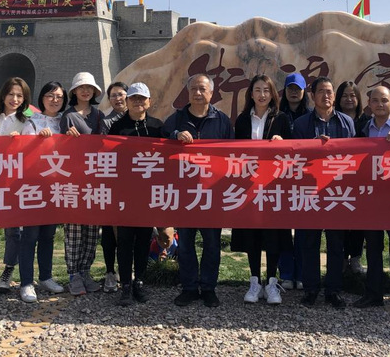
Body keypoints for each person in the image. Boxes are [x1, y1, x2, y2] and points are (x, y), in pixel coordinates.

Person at [164, 74, 234, 308]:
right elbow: (159, 144)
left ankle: (209, 288)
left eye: (202, 89)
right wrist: (174, 136)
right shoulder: (176, 119)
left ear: (211, 93)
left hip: (212, 193)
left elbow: (233, 154)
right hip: (185, 194)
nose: (197, 93)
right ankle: (189, 288)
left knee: (212, 244)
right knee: (185, 243)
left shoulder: (222, 121)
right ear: (188, 92)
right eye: (193, 88)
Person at [294, 76, 355, 309]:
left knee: (336, 244)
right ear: (312, 96)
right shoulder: (301, 124)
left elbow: (353, 155)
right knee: (309, 242)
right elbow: (295, 156)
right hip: (310, 190)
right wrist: (313, 146)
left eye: (330, 91)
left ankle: (333, 290)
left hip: (336, 191)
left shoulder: (346, 122)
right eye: (321, 91)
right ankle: (311, 289)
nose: (326, 95)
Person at [231, 74, 293, 305]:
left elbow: (294, 150)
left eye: (266, 90)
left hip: (273, 186)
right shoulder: (242, 120)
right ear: (251, 93)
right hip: (249, 186)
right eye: (257, 90)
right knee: (252, 234)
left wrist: (282, 143)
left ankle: (272, 282)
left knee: (273, 234)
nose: (262, 95)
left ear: (273, 94)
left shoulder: (281, 119)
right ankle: (255, 281)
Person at [353, 86, 390, 313]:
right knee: (373, 247)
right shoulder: (361, 129)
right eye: (375, 100)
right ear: (369, 104)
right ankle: (373, 293)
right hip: (370, 196)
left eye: (384, 100)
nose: (379, 104)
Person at [109, 82, 166, 306]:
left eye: (142, 98)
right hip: (125, 194)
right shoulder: (117, 128)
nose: (138, 102)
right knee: (124, 242)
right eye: (134, 98)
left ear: (149, 102)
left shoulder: (157, 127)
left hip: (148, 194)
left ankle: (139, 282)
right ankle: (125, 285)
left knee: (143, 240)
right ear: (127, 101)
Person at [0, 77, 32, 296]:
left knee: (13, 231)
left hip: (13, 184)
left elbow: (33, 149)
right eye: (11, 94)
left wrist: (22, 141)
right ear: (3, 95)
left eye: (20, 96)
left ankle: (8, 271)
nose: (15, 99)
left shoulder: (27, 122)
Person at [19, 81, 69, 302]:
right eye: (50, 95)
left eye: (59, 96)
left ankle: (46, 277)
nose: (55, 100)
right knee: (30, 235)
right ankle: (26, 282)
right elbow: (22, 150)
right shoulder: (32, 122)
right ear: (42, 98)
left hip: (55, 186)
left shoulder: (66, 121)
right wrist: (37, 141)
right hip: (34, 185)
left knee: (48, 235)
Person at [60, 72, 104, 296]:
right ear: (74, 92)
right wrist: (66, 138)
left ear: (94, 92)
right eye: (81, 87)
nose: (85, 91)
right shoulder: (67, 116)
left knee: (92, 230)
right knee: (74, 230)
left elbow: (104, 143)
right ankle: (73, 274)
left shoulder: (98, 115)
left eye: (89, 88)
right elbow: (58, 148)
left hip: (95, 179)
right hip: (74, 179)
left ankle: (86, 271)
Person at [277, 72, 311, 290]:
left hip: (304, 179)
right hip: (280, 179)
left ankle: (302, 273)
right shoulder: (278, 115)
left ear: (304, 92)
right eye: (290, 88)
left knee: (303, 230)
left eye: (297, 89)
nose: (293, 92)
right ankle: (287, 274)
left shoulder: (310, 116)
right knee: (282, 230)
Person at [335, 80, 368, 276]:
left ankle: (355, 257)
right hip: (336, 177)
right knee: (339, 218)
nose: (349, 99)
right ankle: (340, 258)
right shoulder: (333, 120)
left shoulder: (367, 121)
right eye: (345, 96)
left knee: (358, 220)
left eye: (352, 95)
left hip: (361, 178)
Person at [99, 81, 129, 293]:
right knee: (109, 230)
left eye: (121, 94)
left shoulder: (140, 118)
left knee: (131, 230)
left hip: (135, 182)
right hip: (111, 181)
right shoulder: (106, 122)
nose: (118, 98)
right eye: (113, 95)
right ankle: (110, 271)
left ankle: (129, 270)